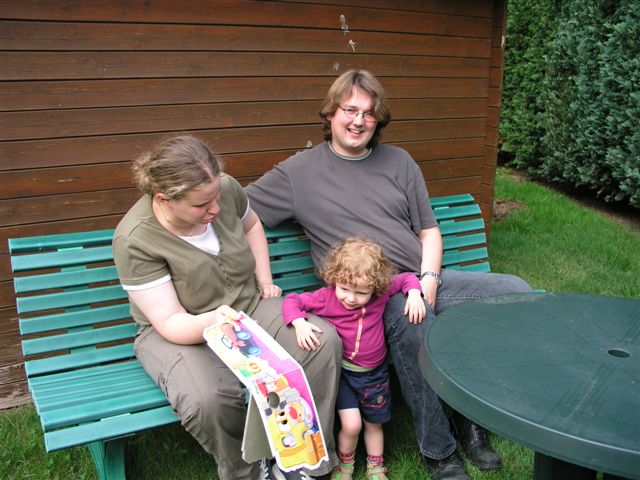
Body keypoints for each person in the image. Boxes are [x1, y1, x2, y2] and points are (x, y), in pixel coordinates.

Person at [245, 69, 532, 480]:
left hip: (420, 280)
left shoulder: (399, 162)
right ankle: (439, 451)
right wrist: (263, 278)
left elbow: (428, 231)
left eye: (368, 113)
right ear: (330, 114)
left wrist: (429, 280)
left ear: (378, 119)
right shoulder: (298, 173)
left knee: (514, 293)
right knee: (416, 325)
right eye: (349, 110)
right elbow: (241, 211)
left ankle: (470, 416)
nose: (358, 121)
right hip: (368, 297)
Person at [112, 134, 342, 480]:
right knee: (207, 399)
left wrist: (265, 280)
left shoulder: (226, 188)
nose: (216, 209)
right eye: (202, 205)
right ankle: (248, 471)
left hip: (246, 306)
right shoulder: (135, 239)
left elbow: (252, 225)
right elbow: (170, 321)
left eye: (217, 195)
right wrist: (215, 320)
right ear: (164, 199)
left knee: (321, 342)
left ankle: (304, 459)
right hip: (179, 331)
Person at [283, 237, 425, 480]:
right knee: (352, 425)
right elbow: (292, 301)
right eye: (344, 289)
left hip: (375, 377)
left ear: (375, 287)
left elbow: (407, 279)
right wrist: (299, 323)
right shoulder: (326, 298)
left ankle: (375, 467)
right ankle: (344, 466)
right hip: (344, 376)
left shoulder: (380, 295)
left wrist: (414, 294)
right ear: (334, 279)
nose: (350, 298)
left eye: (361, 293)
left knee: (374, 424)